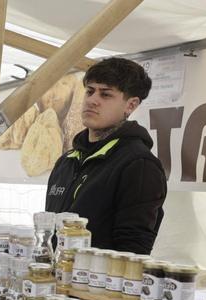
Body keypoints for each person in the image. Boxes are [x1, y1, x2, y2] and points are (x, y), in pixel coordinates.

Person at [45, 57, 167, 255]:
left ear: (131, 105)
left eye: (106, 94)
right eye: (90, 91)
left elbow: (133, 251)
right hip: (56, 280)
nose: (93, 100)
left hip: (99, 284)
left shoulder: (139, 164)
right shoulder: (66, 161)